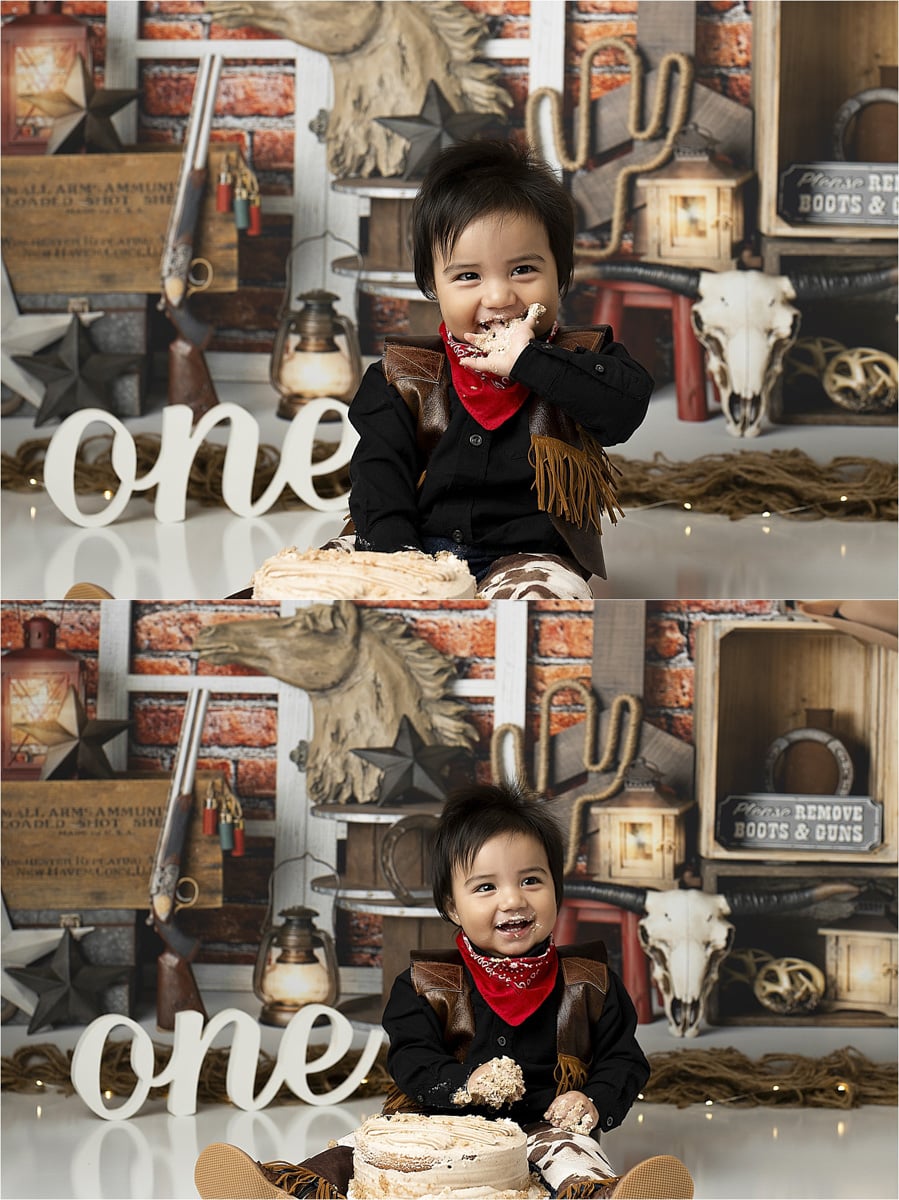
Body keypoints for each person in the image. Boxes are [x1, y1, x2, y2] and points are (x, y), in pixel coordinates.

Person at [195, 783, 693, 1200]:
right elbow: (412, 1059)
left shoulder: (590, 980)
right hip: (435, 1120)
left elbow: (624, 1061)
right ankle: (290, 1189)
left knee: (570, 1157)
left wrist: (592, 1100)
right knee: (360, 1148)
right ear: (451, 907)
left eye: (531, 880)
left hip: (544, 1122)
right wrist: (463, 1084)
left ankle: (606, 1196)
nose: (514, 899)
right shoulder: (426, 985)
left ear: (556, 889)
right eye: (485, 887)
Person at [340, 139, 654, 599]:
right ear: (433, 285)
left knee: (539, 607)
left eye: (523, 269)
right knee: (305, 584)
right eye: (468, 276)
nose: (499, 297)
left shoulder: (582, 360)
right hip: (408, 542)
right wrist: (402, 565)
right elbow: (379, 474)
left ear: (560, 274)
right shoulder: (404, 374)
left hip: (529, 555)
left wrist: (531, 361)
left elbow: (623, 410)